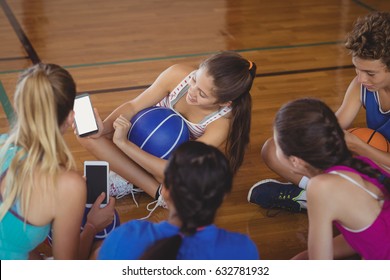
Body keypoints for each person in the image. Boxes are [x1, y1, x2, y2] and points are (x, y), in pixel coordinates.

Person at [249, 11, 390, 213]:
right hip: (367, 168)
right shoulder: (361, 86)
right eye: (356, 69)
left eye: (370, 73)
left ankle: (328, 200)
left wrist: (360, 147)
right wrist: (300, 133)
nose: (360, 79)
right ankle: (321, 197)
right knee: (274, 150)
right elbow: (335, 124)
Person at [77, 51, 256, 207]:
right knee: (86, 135)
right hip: (137, 137)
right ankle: (150, 188)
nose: (192, 91)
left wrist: (123, 145)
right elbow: (133, 106)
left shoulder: (219, 125)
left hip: (166, 166)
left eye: (202, 94)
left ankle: (146, 186)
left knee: (181, 183)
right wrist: (105, 128)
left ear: (224, 103)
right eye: (194, 80)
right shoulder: (177, 74)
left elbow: (173, 169)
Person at [0, 63, 116, 260]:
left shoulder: (3, 146)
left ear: (19, 106)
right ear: (71, 117)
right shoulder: (67, 184)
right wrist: (92, 226)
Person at [266, 98, 389, 259]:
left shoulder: (321, 187)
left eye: (277, 144)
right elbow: (366, 231)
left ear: (295, 161)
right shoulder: (359, 162)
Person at [98, 141, 259, 260]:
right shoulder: (244, 250)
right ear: (223, 196)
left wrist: (92, 227)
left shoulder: (124, 238)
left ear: (166, 192)